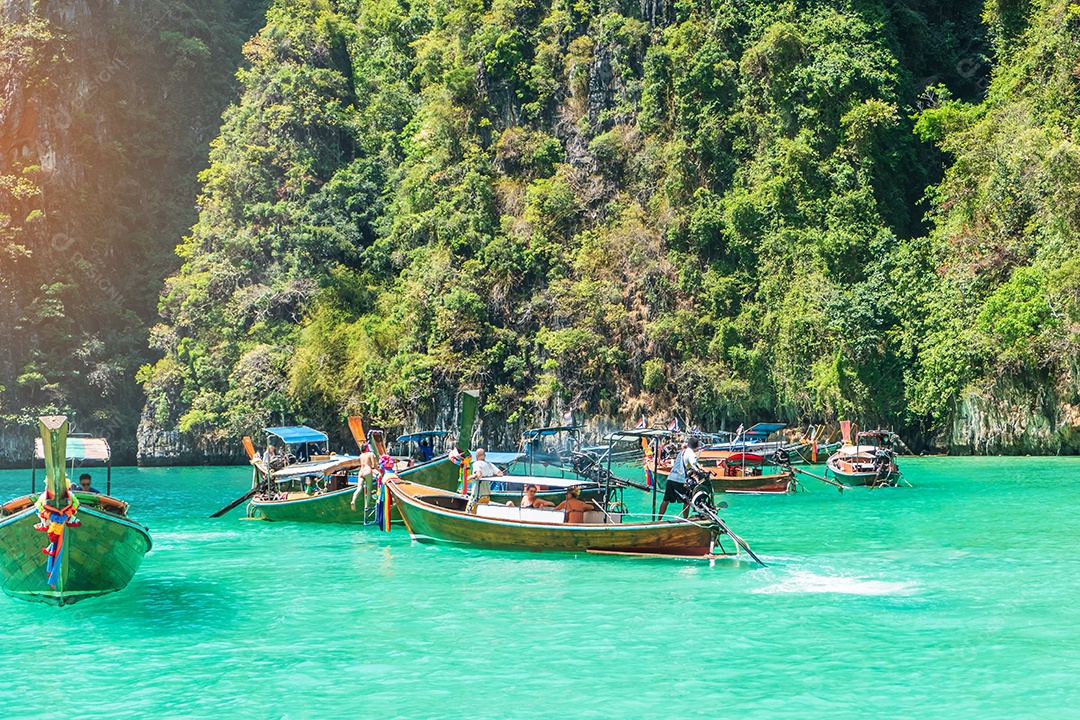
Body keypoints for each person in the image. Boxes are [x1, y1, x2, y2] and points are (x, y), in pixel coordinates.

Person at [658, 437, 703, 518]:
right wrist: (700, 470)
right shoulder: (691, 454)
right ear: (696, 446)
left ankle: (658, 519)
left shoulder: (681, 452)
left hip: (670, 478)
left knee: (666, 500)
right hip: (679, 480)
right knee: (687, 501)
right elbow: (693, 464)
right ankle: (685, 519)